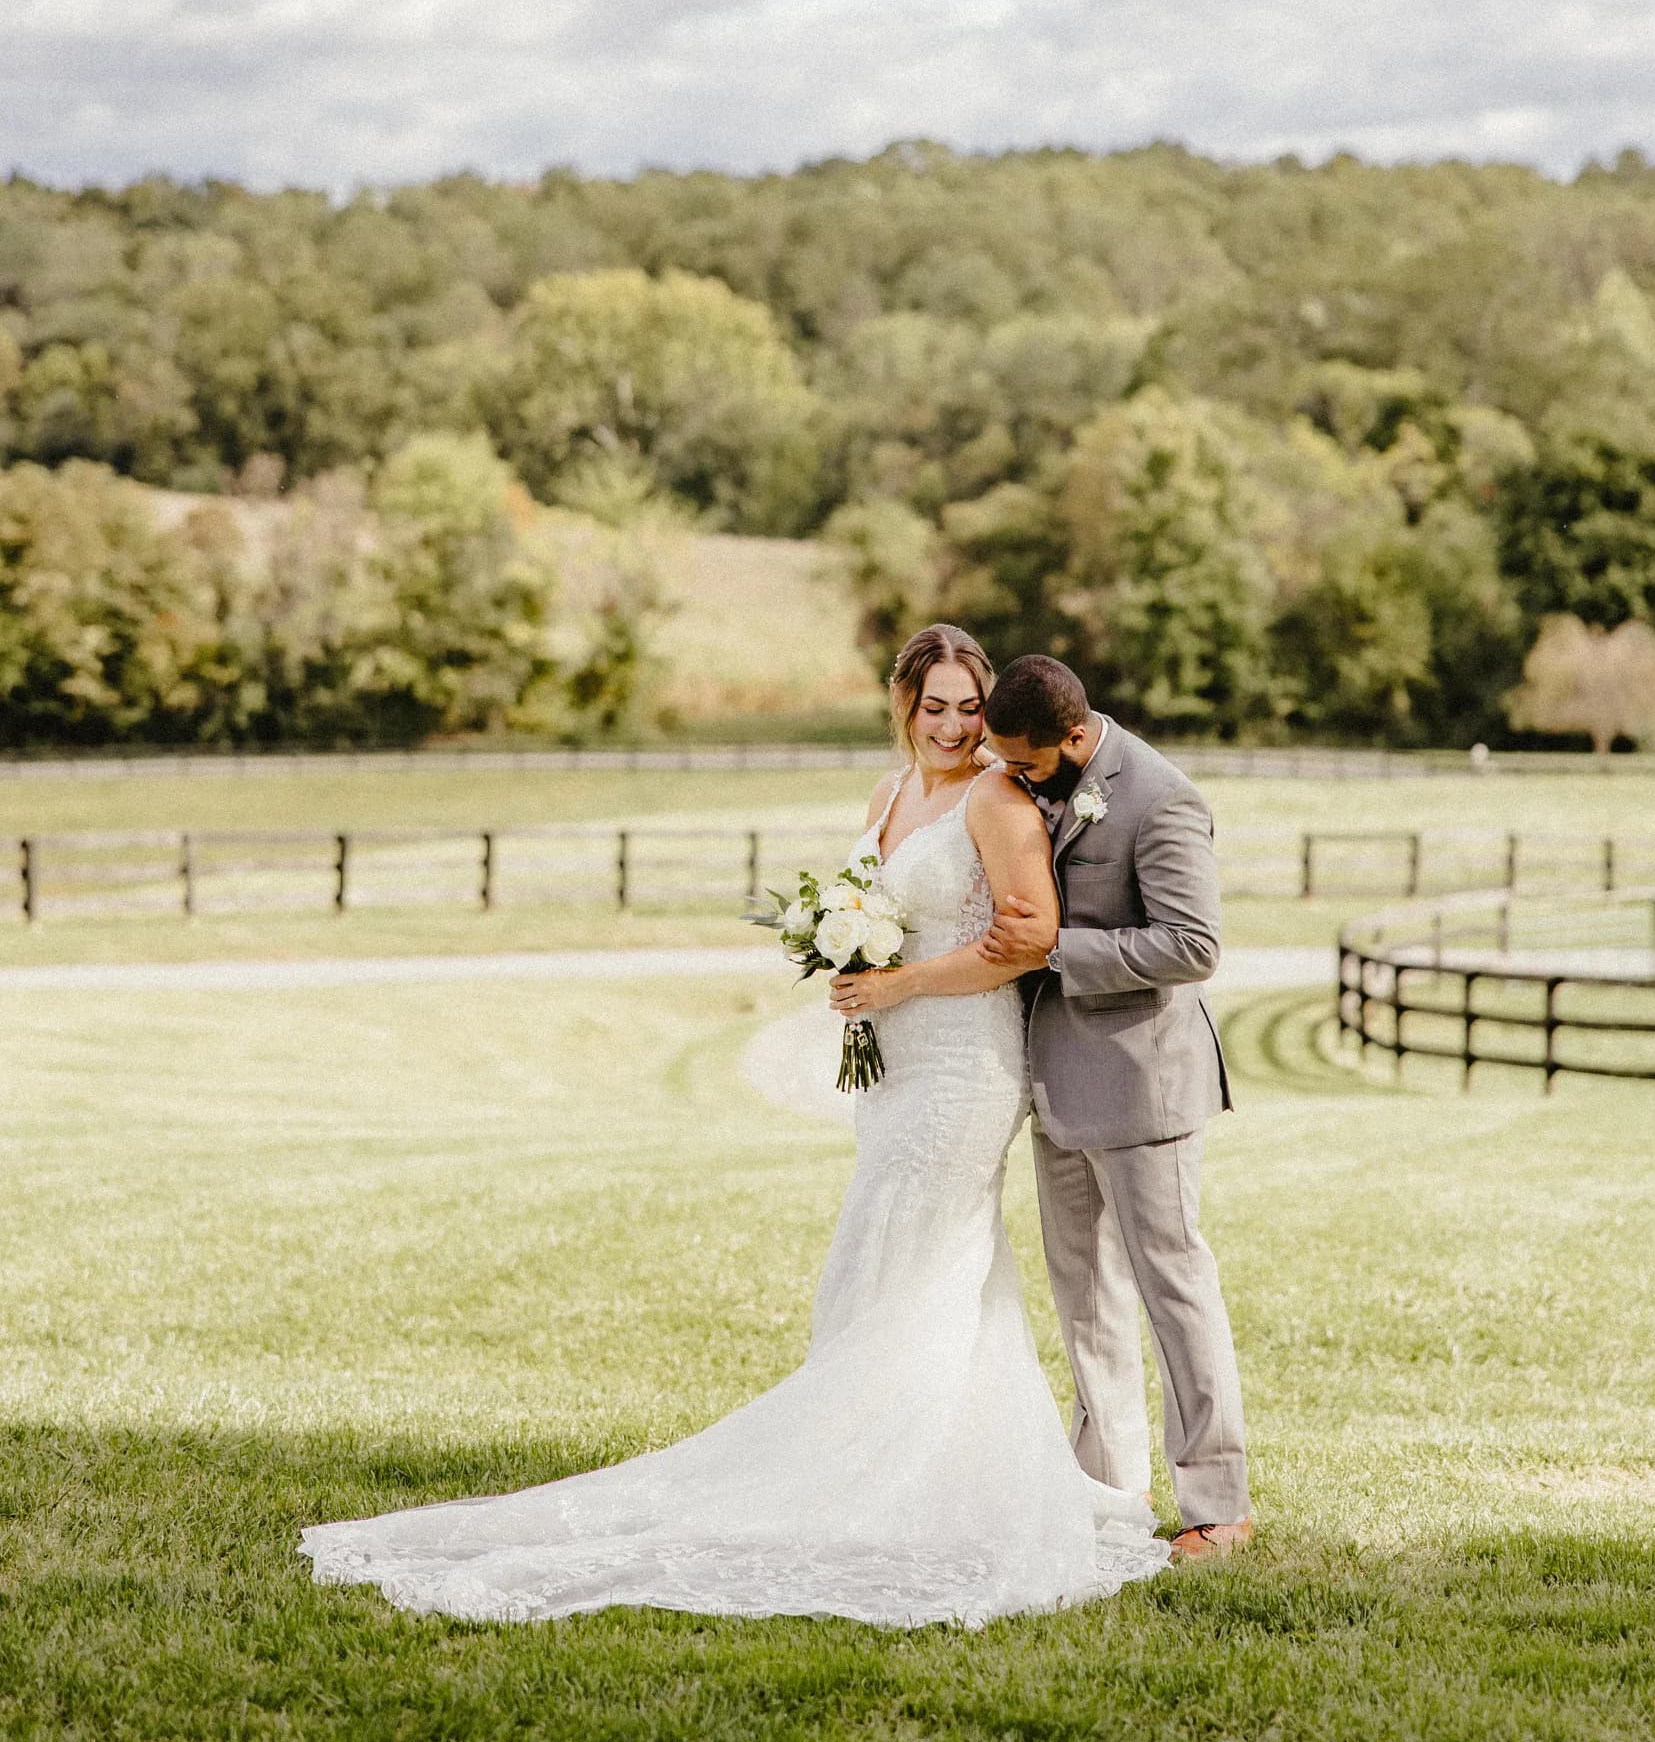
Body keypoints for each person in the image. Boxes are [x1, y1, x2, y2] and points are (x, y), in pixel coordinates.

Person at [298, 624, 1169, 1628]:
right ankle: (901, 1460)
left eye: (969, 708)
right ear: (904, 706)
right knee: (887, 1252)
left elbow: (1026, 940)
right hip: (893, 1064)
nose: (952, 725)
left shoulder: (998, 797)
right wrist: (848, 957)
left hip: (964, 1061)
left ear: (991, 713)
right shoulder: (888, 796)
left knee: (930, 1252)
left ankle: (898, 1477)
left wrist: (902, 979)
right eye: (933, 706)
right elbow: (868, 900)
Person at [836, 653, 1249, 1558]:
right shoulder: (1022, 770)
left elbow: (1193, 945)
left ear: (1072, 734)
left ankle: (1219, 1503)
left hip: (1145, 1083)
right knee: (1085, 1298)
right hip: (1051, 1077)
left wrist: (1058, 950)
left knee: (1173, 1289)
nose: (1008, 777)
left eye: (1022, 764)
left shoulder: (1160, 799)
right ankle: (1104, 1487)